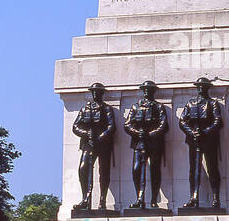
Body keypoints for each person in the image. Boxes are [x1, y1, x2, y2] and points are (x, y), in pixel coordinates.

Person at [178, 76, 223, 209]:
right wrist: (192, 132)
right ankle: (194, 197)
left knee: (212, 168)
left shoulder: (213, 103)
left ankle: (216, 198)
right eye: (199, 86)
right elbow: (182, 121)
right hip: (194, 140)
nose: (201, 89)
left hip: (209, 140)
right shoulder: (190, 103)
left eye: (203, 87)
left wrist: (205, 131)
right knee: (194, 170)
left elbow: (217, 121)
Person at [71, 81, 116, 212]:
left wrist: (100, 137)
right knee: (83, 168)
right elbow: (75, 126)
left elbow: (111, 126)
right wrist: (86, 133)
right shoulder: (85, 108)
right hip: (88, 144)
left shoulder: (107, 109)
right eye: (94, 92)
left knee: (104, 171)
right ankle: (85, 198)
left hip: (103, 144)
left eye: (98, 92)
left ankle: (102, 199)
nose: (96, 94)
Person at [123, 80, 168, 208]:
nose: (147, 91)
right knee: (137, 169)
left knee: (155, 170)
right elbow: (127, 124)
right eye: (145, 89)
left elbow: (163, 124)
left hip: (154, 143)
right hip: (139, 144)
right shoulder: (135, 107)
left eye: (150, 89)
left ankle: (153, 200)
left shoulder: (159, 107)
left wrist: (151, 134)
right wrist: (137, 132)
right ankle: (139, 198)